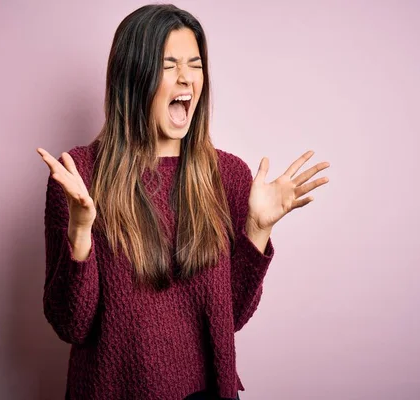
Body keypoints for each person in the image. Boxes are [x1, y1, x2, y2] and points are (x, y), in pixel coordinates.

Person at [36, 4, 329, 399]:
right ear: (133, 77)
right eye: (168, 65)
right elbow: (71, 325)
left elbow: (231, 318)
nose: (186, 78)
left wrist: (258, 231)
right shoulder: (80, 177)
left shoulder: (228, 176)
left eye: (194, 64)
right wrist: (81, 232)